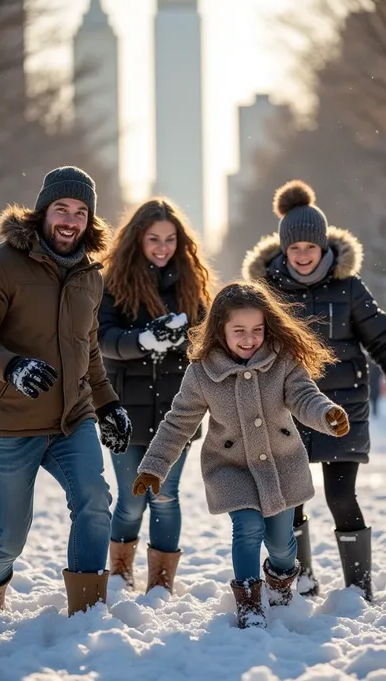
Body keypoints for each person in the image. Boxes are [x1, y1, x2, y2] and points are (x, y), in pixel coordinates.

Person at [242, 179, 386, 601]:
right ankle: (301, 580)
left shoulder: (348, 288)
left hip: (343, 409)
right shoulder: (268, 291)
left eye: (311, 247)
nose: (303, 256)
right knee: (294, 500)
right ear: (284, 250)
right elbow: (247, 341)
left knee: (341, 495)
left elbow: (383, 339)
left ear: (323, 248)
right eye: (295, 249)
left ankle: (358, 589)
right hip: (286, 411)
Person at [0, 166, 132, 615]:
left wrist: (108, 403)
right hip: (11, 421)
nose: (70, 220)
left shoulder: (90, 275)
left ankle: (88, 608)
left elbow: (88, 349)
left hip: (72, 419)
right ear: (42, 212)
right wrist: (11, 366)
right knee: (9, 535)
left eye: (80, 212)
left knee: (96, 504)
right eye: (62, 208)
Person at [132, 281, 350, 629]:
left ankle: (280, 583)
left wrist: (326, 414)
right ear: (221, 329)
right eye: (239, 331)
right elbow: (178, 422)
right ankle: (249, 602)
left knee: (280, 544)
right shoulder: (202, 372)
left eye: (256, 330)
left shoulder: (282, 360)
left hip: (281, 466)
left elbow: (304, 396)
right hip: (230, 468)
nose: (249, 339)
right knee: (246, 529)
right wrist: (154, 467)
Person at [98, 197, 212, 594]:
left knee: (165, 496)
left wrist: (183, 340)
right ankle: (119, 571)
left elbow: (207, 342)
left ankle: (161, 581)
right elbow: (103, 340)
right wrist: (144, 340)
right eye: (154, 239)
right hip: (123, 411)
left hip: (176, 413)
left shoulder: (192, 284)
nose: (163, 247)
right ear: (137, 240)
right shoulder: (112, 282)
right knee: (131, 501)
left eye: (170, 239)